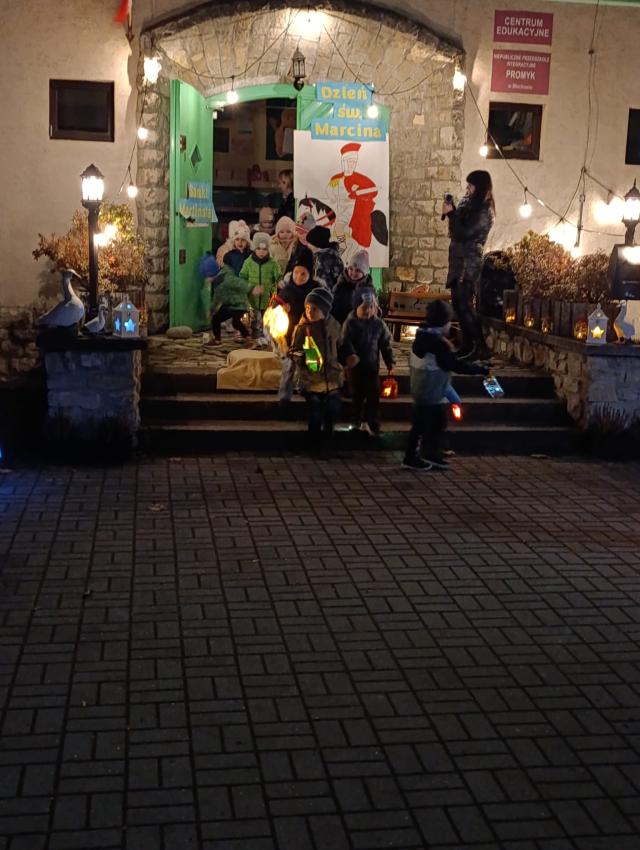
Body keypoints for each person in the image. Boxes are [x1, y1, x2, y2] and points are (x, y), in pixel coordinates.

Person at [403, 299, 489, 471]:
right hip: (433, 392)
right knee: (432, 425)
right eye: (449, 321)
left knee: (425, 424)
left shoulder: (422, 337)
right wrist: (479, 369)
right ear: (443, 322)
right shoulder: (438, 345)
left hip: (421, 389)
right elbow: (454, 364)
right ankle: (414, 456)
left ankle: (428, 453)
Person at [442, 170, 495, 360]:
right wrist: (453, 212)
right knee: (458, 304)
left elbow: (464, 232)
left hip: (468, 260)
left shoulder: (484, 211)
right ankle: (467, 345)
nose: (467, 189)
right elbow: (457, 229)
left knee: (464, 304)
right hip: (459, 259)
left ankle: (481, 347)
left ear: (479, 187)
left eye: (471, 185)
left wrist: (452, 214)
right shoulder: (468, 205)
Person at [290, 287, 343, 442]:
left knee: (333, 406)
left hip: (331, 379)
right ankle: (313, 440)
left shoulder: (334, 326)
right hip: (309, 381)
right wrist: (303, 357)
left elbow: (341, 345)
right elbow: (294, 351)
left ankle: (328, 438)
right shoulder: (302, 329)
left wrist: (348, 356)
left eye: (314, 309)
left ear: (324, 310)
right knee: (315, 408)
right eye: (307, 308)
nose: (310, 312)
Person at [339, 290, 394, 436]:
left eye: (371, 307)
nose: (368, 311)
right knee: (356, 396)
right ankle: (356, 423)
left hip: (371, 366)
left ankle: (372, 423)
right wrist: (350, 355)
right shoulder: (350, 323)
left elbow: (385, 344)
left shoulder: (379, 324)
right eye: (364, 307)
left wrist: (390, 362)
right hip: (355, 369)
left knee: (373, 396)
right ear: (356, 306)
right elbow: (344, 341)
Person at [278, 247, 320, 402]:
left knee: (311, 367)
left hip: (310, 337)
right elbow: (275, 309)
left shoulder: (315, 291)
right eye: (296, 273)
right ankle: (284, 399)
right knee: (288, 368)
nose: (299, 277)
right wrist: (282, 310)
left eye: (303, 274)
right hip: (290, 337)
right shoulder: (287, 291)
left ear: (310, 274)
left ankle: (310, 395)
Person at [239, 232, 282, 340]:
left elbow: (279, 277)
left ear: (268, 250)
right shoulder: (248, 262)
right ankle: (255, 335)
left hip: (268, 297)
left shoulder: (273, 264)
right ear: (254, 248)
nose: (261, 252)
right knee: (254, 318)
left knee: (267, 318)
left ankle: (267, 336)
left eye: (264, 249)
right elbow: (243, 277)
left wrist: (279, 283)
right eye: (258, 249)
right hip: (252, 297)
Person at [207, 266, 259, 347]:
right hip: (228, 306)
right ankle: (217, 340)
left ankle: (248, 337)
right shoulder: (216, 284)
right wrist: (211, 310)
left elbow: (240, 283)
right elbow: (216, 298)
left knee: (236, 322)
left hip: (240, 305)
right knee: (216, 318)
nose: (207, 279)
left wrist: (252, 288)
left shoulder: (228, 279)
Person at [332, 249, 375, 324]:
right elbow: (333, 307)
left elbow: (374, 309)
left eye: (358, 270)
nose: (353, 272)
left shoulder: (368, 289)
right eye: (351, 269)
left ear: (364, 273)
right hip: (342, 324)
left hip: (361, 326)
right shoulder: (340, 285)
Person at [306, 226, 344, 290]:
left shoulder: (323, 259)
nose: (308, 245)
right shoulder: (319, 256)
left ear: (318, 243)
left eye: (310, 243)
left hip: (323, 292)